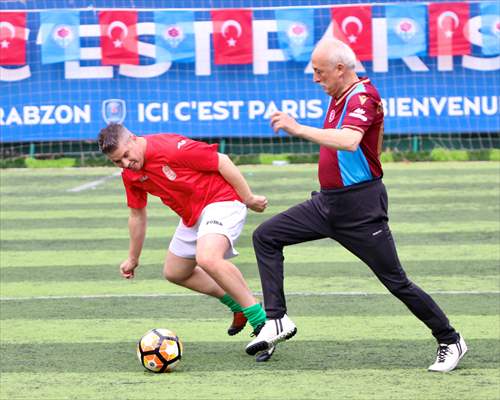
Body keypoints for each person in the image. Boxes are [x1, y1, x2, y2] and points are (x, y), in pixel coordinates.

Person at [245, 38, 467, 372]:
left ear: (340, 69)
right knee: (266, 236)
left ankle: (450, 339)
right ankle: (276, 320)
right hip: (327, 205)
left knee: (396, 281)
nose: (315, 79)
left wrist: (298, 128)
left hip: (361, 210)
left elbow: (349, 142)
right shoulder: (337, 96)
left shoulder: (363, 95)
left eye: (320, 73)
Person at [97, 123, 268, 348]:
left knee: (208, 258)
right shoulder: (129, 174)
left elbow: (222, 161)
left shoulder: (170, 147)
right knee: (175, 272)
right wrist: (133, 258)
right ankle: (236, 304)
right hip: (193, 216)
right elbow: (137, 215)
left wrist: (248, 198)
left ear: (134, 139)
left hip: (222, 201)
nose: (126, 163)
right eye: (118, 161)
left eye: (127, 155)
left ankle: (262, 323)